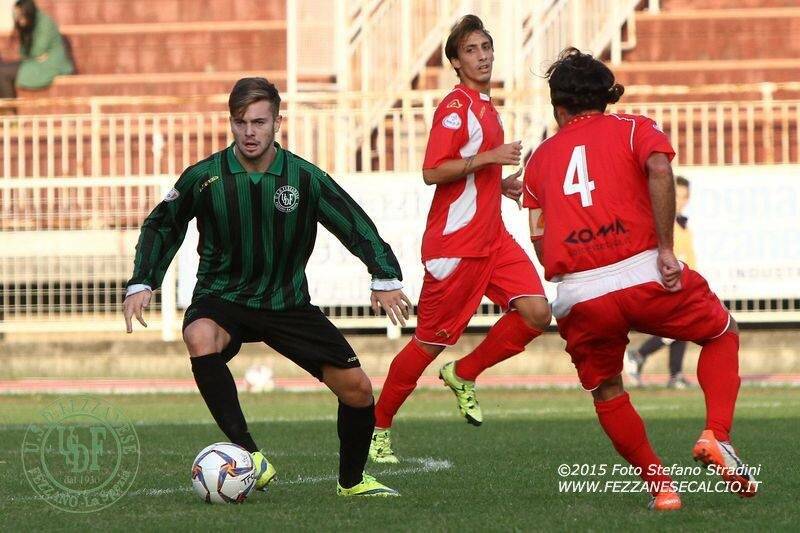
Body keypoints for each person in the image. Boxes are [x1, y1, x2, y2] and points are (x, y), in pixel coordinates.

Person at [123, 77, 411, 498]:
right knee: (199, 336)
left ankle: (352, 482)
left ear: (278, 122)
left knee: (359, 390)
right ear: (231, 123)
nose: (249, 132)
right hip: (223, 296)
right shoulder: (205, 177)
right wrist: (143, 280)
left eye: (259, 122)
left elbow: (354, 223)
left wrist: (383, 275)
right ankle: (248, 455)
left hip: (286, 302)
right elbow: (161, 225)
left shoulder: (304, 177)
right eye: (240, 123)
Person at [522, 48, 757, 511]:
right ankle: (718, 436)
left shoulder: (540, 159)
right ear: (607, 97)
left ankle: (662, 489)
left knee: (608, 389)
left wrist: (570, 276)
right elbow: (659, 167)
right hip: (643, 271)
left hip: (578, 291)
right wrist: (666, 248)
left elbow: (539, 235)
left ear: (558, 108)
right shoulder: (632, 127)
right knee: (721, 332)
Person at [370, 15, 551, 463]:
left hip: (494, 238)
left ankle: (464, 373)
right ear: (455, 61)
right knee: (429, 343)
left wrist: (500, 183)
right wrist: (491, 157)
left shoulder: (486, 106)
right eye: (471, 50)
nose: (482, 55)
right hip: (456, 245)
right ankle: (377, 430)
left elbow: (472, 172)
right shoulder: (455, 107)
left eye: (486, 46)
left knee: (537, 313)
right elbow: (433, 170)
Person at [625, 177, 696, 388]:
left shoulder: (682, 225)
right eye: (676, 195)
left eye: (684, 196)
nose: (680, 200)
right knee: (680, 326)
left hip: (685, 281)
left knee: (683, 327)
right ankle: (639, 355)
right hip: (671, 281)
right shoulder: (664, 224)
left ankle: (675, 374)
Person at [0, 0, 74, 102]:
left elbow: (37, 51)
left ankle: (9, 111)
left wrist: (32, 57)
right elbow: (26, 54)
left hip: (49, 65)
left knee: (3, 72)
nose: (19, 19)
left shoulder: (44, 23)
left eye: (21, 15)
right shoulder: (27, 27)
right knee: (2, 68)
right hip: (33, 62)